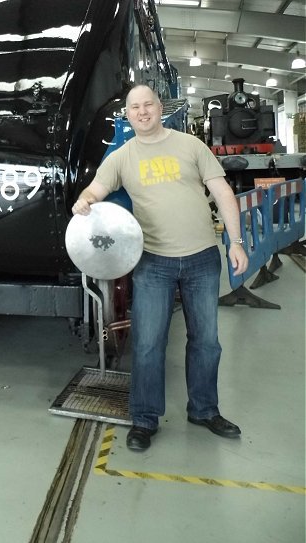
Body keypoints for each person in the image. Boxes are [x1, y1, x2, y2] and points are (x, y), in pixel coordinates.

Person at [72, 85, 249, 452]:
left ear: (159, 108)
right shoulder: (121, 157)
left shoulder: (190, 146)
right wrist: (84, 202)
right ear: (128, 114)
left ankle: (203, 410)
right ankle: (144, 419)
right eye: (134, 107)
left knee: (207, 342)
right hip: (153, 262)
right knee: (149, 344)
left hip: (202, 258)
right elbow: (95, 190)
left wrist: (236, 242)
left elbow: (222, 193)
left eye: (147, 104)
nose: (142, 112)